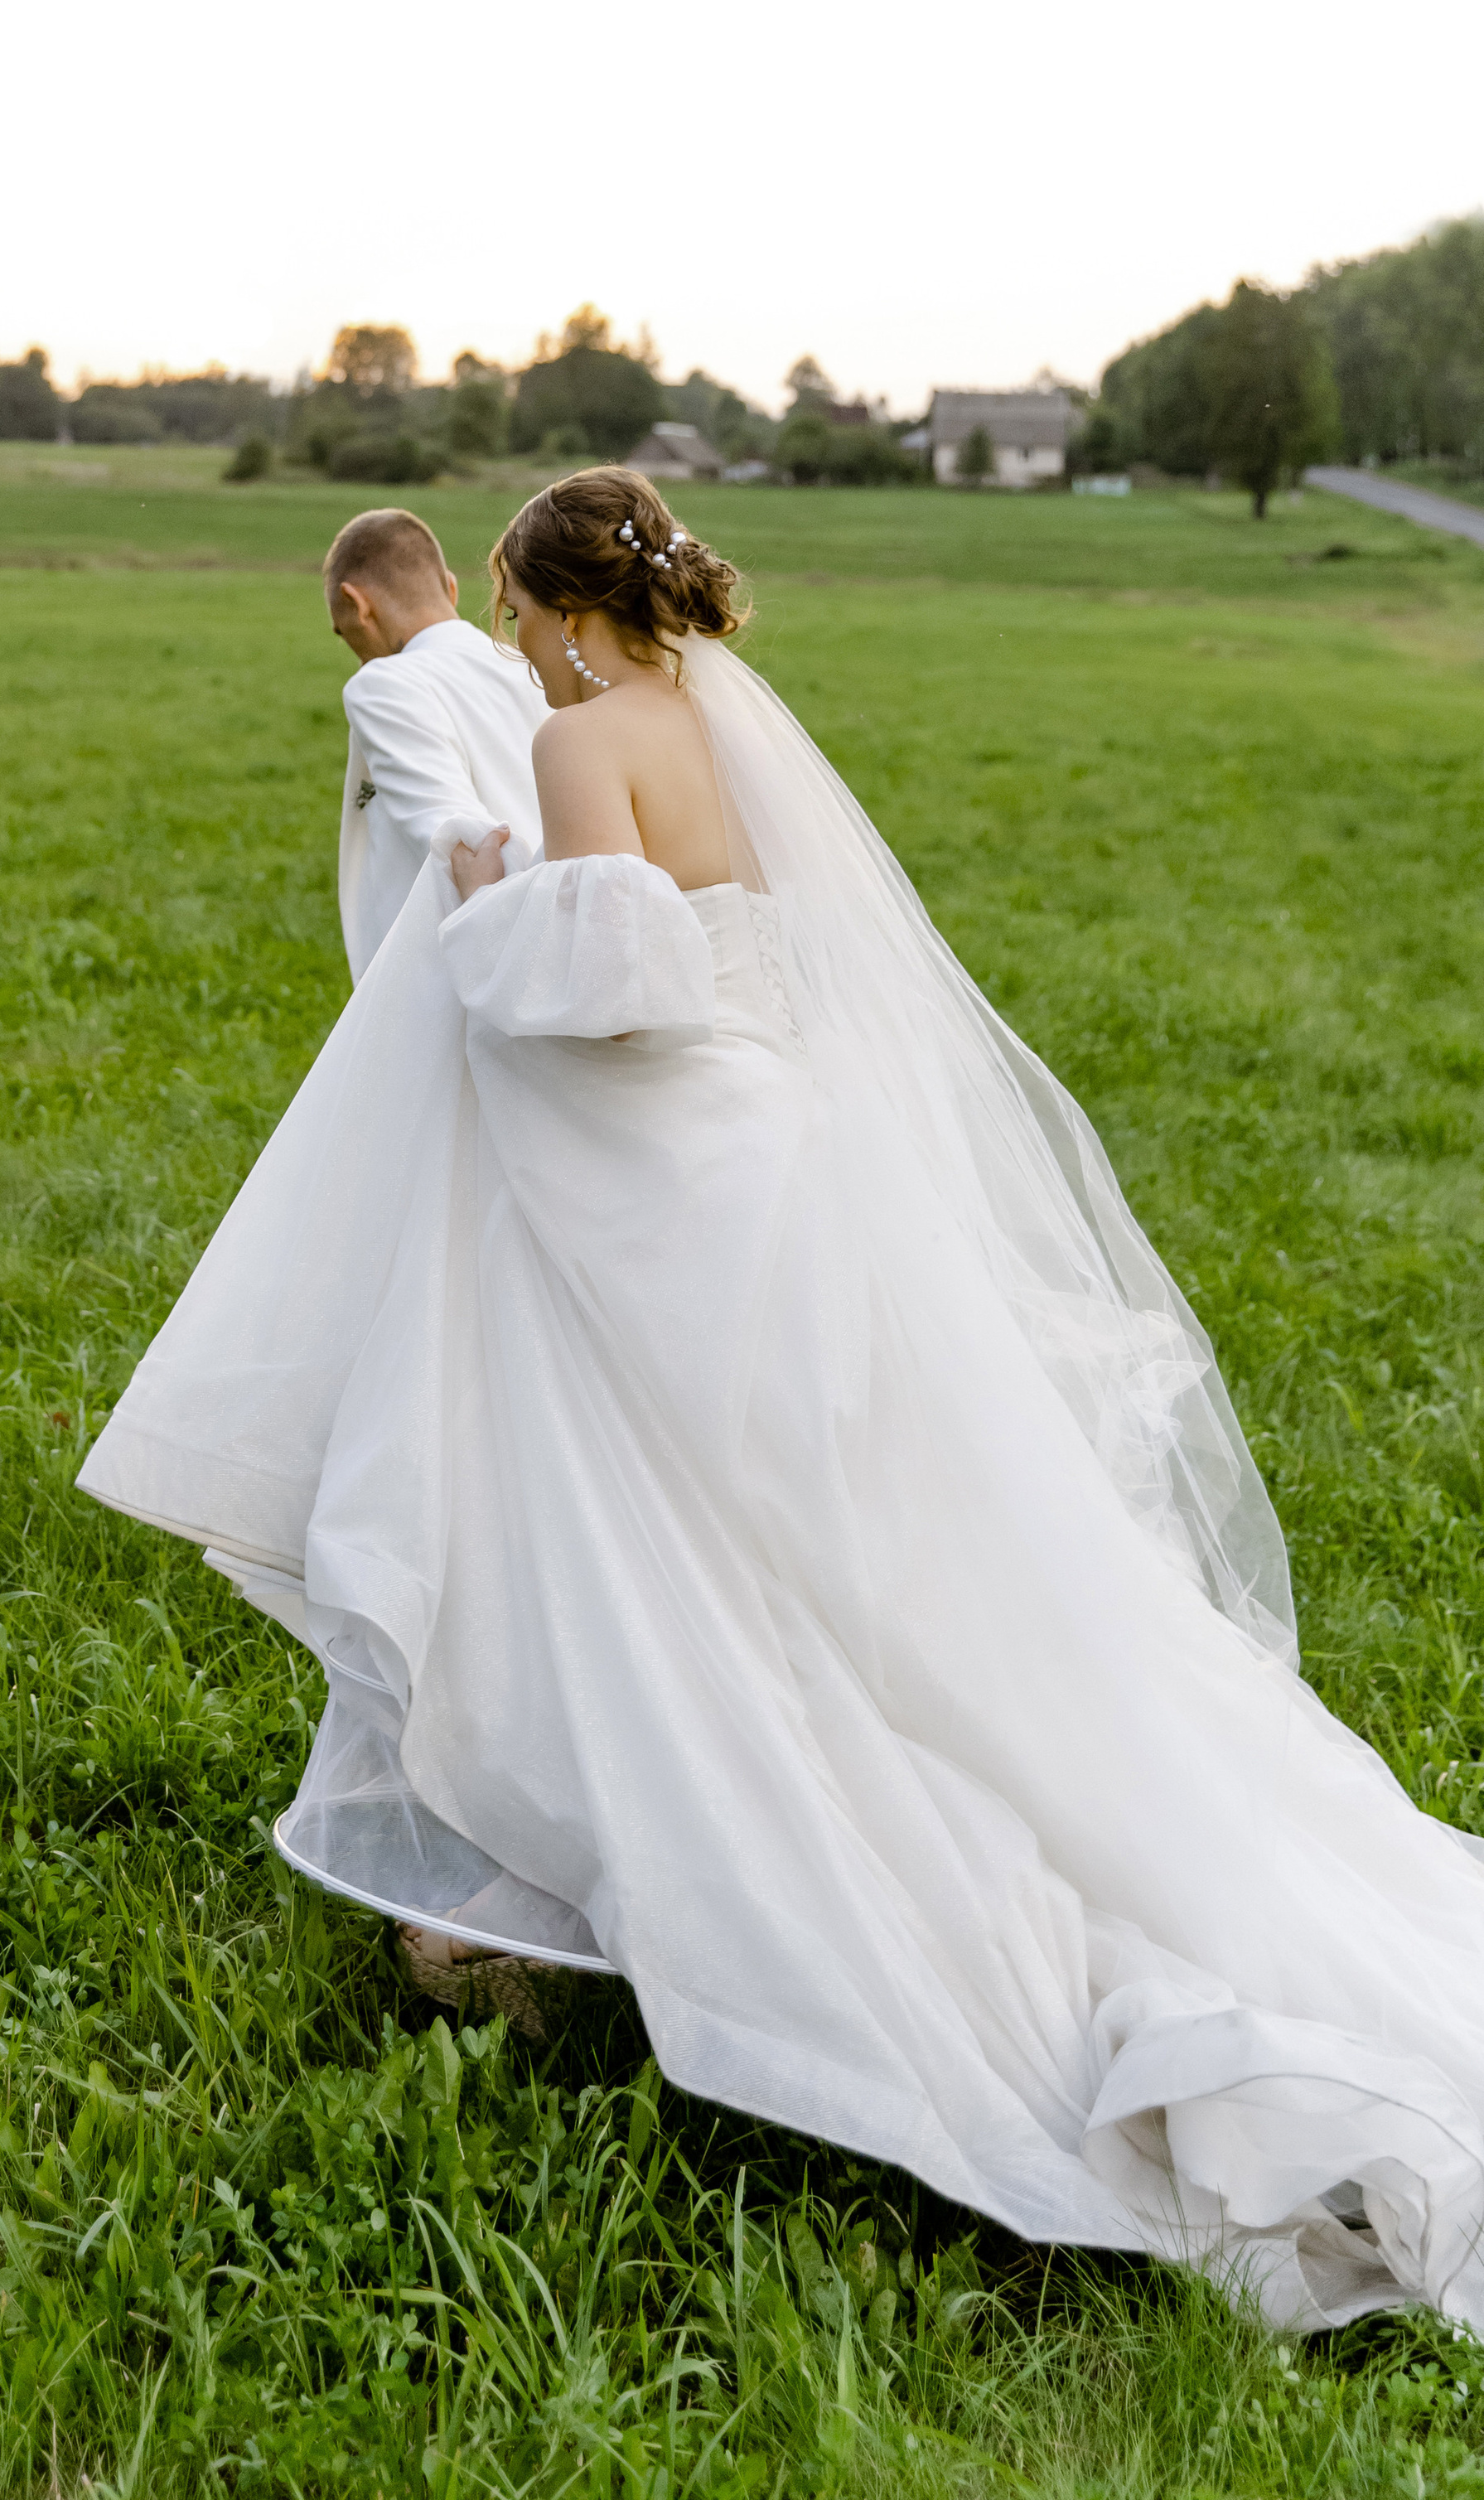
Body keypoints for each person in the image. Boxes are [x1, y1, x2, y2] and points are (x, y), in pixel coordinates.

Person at [81, 466, 1484, 2333]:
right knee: (823, 1537)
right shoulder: (725, 728)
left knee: (637, 1519)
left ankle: (652, 1876)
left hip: (660, 1169)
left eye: (511, 611)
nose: (508, 644)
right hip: (781, 1151)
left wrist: (486, 893)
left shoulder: (588, 740)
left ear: (563, 612)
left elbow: (603, 979)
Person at [324, 505, 546, 980]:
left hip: (463, 962)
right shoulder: (533, 665)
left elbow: (453, 831)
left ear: (357, 604)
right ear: (450, 586)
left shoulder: (382, 684)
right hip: (557, 930)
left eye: (345, 634)